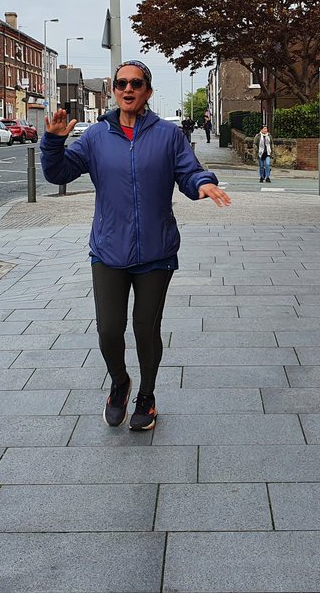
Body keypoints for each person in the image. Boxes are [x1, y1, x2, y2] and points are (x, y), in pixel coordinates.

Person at [41, 59, 230, 431]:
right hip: (109, 251)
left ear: (148, 91)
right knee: (109, 330)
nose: (128, 89)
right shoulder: (95, 137)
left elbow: (188, 171)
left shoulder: (167, 136)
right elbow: (58, 173)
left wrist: (202, 183)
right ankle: (119, 381)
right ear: (114, 90)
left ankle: (146, 395)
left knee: (146, 329)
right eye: (121, 83)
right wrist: (53, 142)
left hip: (156, 252)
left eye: (137, 83)